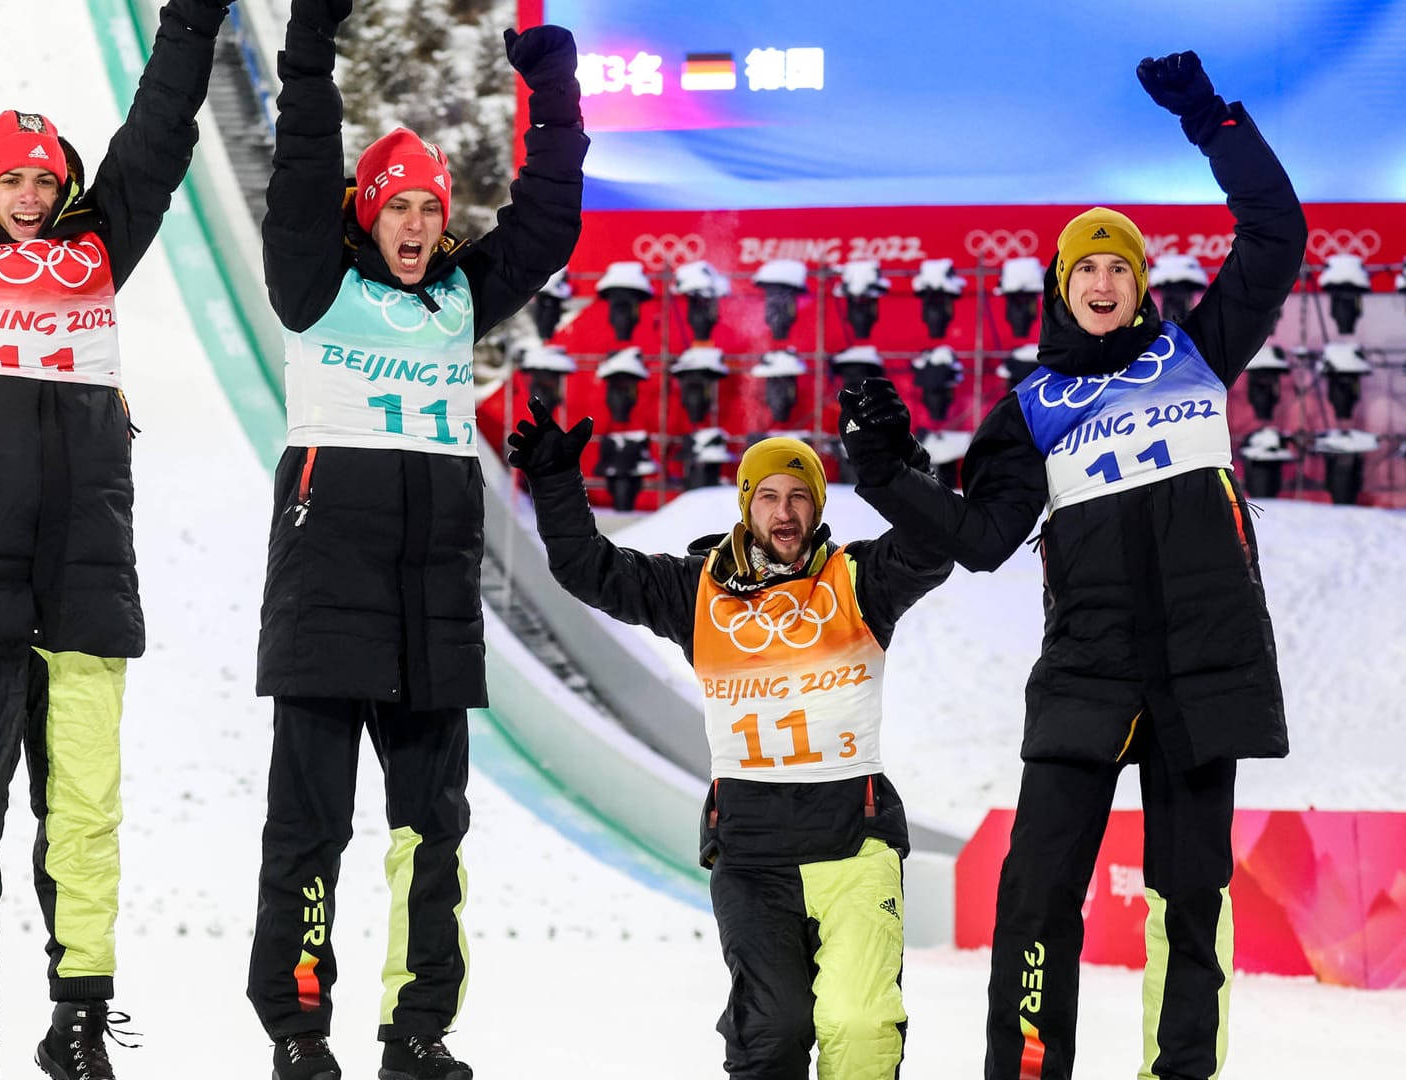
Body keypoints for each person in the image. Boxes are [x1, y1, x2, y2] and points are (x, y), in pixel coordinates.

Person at [837, 51, 1304, 1080]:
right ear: (1062, 286)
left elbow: (1277, 235)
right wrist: (881, 468)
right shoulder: (1030, 411)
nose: (1102, 279)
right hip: (1088, 674)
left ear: (1141, 283)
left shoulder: (1197, 351)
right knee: (1036, 892)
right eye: (1085, 266)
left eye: (1119, 265)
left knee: (1192, 896)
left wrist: (1211, 124)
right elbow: (980, 539)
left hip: (1199, 667)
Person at [0, 0, 233, 1076]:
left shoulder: (98, 253)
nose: (28, 197)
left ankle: (77, 1022)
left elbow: (159, 135)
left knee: (85, 823)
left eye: (43, 181)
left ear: (63, 189)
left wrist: (192, 24)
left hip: (86, 593)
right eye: (11, 179)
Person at [244, 4, 587, 1079]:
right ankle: (299, 1027)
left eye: (429, 212)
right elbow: (299, 163)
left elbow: (549, 220)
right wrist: (309, 49)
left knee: (429, 835)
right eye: (395, 208)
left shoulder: (458, 299)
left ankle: (417, 1030)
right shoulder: (316, 287)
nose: (414, 226)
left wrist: (554, 93)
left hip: (432, 606)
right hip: (324, 587)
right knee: (309, 829)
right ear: (366, 214)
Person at [508, 407, 952, 1080]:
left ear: (819, 507)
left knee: (858, 1029)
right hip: (753, 856)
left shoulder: (859, 581)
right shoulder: (699, 590)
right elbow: (590, 570)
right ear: (747, 507)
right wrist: (554, 480)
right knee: (771, 1033)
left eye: (800, 495)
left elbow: (933, 544)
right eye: (769, 495)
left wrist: (901, 464)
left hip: (853, 847)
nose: (785, 510)